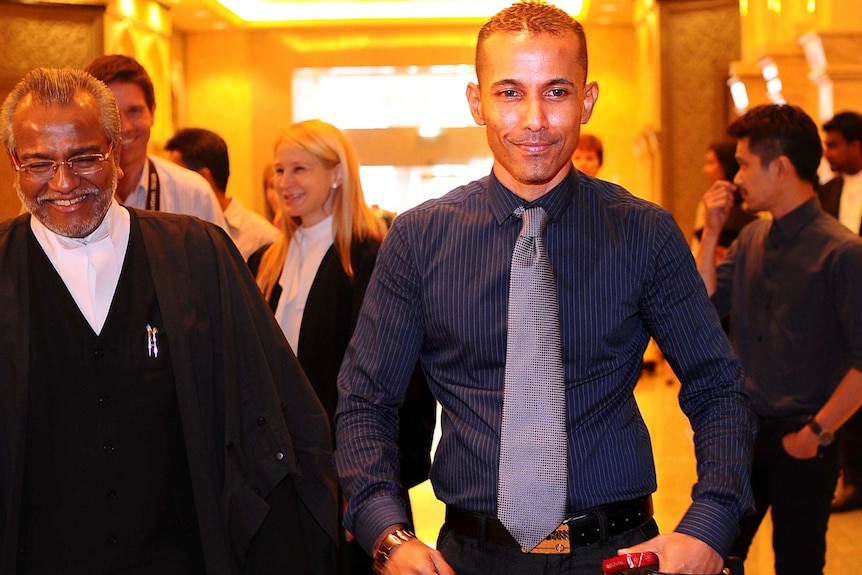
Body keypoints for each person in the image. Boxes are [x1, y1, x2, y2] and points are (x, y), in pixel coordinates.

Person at [336, 3, 755, 575]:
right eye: (509, 92)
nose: (534, 119)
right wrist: (387, 535)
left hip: (619, 553)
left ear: (586, 100)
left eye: (556, 92)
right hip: (470, 558)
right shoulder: (418, 239)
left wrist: (709, 524)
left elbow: (717, 386)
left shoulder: (644, 232)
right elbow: (365, 402)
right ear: (476, 101)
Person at [0, 67, 337, 574]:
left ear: (115, 148)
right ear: (14, 163)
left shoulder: (197, 254)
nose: (64, 182)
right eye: (40, 163)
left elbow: (274, 414)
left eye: (85, 157)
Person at [248, 119, 435, 574]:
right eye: (278, 171)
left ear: (336, 174)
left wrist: (373, 492)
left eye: (299, 169)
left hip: (347, 478)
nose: (284, 183)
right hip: (280, 478)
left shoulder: (371, 258)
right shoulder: (262, 262)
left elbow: (402, 386)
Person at [696, 103, 862, 575]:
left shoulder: (842, 251)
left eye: (745, 164)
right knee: (716, 557)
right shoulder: (750, 238)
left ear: (781, 166)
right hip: (743, 435)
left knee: (799, 562)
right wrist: (710, 233)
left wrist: (816, 433)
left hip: (804, 439)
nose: (737, 175)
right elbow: (702, 306)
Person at [84, 55, 228, 230]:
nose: (124, 127)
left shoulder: (194, 194)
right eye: (111, 114)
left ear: (152, 112)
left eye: (134, 111)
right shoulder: (72, 195)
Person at [818, 110, 862, 512]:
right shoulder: (827, 192)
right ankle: (853, 479)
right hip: (840, 307)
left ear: (856, 145)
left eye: (833, 145)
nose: (828, 153)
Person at [165, 127, 281, 259]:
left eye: (177, 177)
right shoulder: (178, 230)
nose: (170, 185)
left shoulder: (263, 238)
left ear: (203, 178)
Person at [692, 140, 758, 262]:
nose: (705, 170)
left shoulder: (755, 203)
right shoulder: (709, 203)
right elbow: (698, 249)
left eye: (711, 163)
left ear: (726, 165)